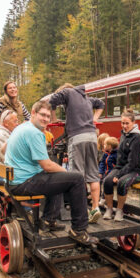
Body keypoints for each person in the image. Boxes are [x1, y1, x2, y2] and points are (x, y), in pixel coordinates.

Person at [5, 100, 98, 244]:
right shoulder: (34, 132)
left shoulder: (21, 127)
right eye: (42, 115)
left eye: (48, 116)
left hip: (15, 179)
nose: (46, 119)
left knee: (59, 178)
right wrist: (67, 173)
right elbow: (47, 165)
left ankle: (48, 220)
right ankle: (79, 230)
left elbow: (3, 149)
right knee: (77, 179)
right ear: (33, 113)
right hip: (23, 182)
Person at [48, 83, 105, 222]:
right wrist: (95, 119)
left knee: (77, 175)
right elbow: (101, 104)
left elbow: (51, 101)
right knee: (92, 173)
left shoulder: (67, 92)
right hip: (92, 136)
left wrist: (54, 119)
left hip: (77, 138)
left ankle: (81, 210)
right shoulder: (86, 98)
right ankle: (95, 208)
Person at [103, 109, 140, 221]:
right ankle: (109, 209)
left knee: (122, 182)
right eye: (123, 123)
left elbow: (132, 163)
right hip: (122, 168)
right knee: (107, 181)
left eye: (127, 123)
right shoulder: (124, 135)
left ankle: (119, 211)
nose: (124, 126)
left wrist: (119, 175)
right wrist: (116, 173)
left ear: (133, 123)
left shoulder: (137, 138)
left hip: (135, 171)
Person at [97, 136, 118, 209]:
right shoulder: (106, 154)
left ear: (109, 146)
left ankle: (103, 200)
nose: (104, 146)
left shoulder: (116, 155)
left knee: (106, 183)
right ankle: (99, 197)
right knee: (98, 180)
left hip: (111, 173)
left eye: (105, 145)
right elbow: (102, 163)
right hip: (105, 172)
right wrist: (100, 172)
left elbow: (118, 165)